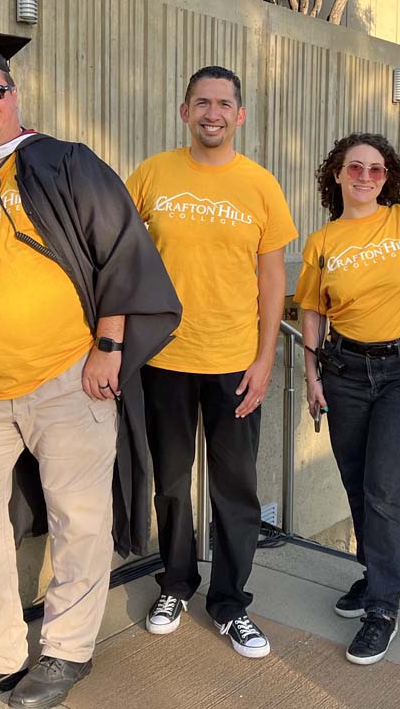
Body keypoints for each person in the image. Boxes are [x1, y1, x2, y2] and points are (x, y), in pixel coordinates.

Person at [0, 26, 180, 709]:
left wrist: (108, 347)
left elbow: (122, 254)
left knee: (80, 519)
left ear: (13, 91)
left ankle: (66, 652)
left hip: (68, 378)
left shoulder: (65, 162)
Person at [126, 65, 297, 659]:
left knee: (236, 488)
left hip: (234, 361)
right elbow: (116, 248)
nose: (213, 113)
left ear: (239, 115)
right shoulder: (152, 174)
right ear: (184, 110)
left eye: (224, 104)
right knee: (172, 482)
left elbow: (272, 276)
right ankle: (175, 583)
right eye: (202, 102)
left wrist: (265, 355)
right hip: (164, 358)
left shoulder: (260, 184)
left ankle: (229, 604)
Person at [294, 133, 400, 666]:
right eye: (354, 167)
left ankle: (383, 607)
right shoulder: (322, 240)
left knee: (386, 486)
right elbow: (312, 309)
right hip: (345, 370)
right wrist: (311, 375)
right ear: (336, 174)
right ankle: (374, 575)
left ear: (388, 178)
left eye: (376, 170)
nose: (364, 177)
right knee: (357, 483)